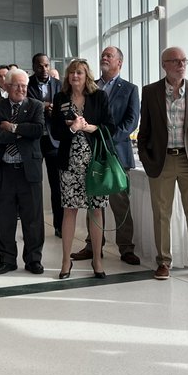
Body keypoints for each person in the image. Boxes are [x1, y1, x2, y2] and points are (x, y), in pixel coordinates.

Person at [137, 47, 188, 281]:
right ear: (164, 64)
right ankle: (163, 262)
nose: (181, 65)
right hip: (162, 161)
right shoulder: (150, 92)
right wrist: (146, 157)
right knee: (161, 213)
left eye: (184, 61)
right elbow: (145, 131)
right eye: (176, 61)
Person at [73, 45, 141, 265]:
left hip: (117, 154)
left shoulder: (130, 89)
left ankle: (126, 247)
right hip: (91, 153)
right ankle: (93, 246)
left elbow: (131, 122)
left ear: (119, 62)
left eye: (109, 56)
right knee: (93, 200)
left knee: (120, 203)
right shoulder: (90, 88)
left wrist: (108, 138)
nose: (104, 58)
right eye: (102, 55)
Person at [52, 58, 114, 280]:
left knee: (96, 210)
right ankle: (65, 261)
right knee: (70, 210)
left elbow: (110, 127)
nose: (74, 76)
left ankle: (97, 259)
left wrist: (87, 127)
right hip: (69, 164)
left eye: (79, 72)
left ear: (87, 76)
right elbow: (55, 132)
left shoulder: (99, 97)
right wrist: (71, 128)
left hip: (95, 163)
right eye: (71, 73)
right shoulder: (60, 99)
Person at [0, 68, 46, 274]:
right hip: (4, 171)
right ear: (7, 86)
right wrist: (23, 132)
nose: (21, 89)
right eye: (17, 85)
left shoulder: (36, 106)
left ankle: (33, 260)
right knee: (5, 219)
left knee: (33, 219)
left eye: (24, 85)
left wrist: (12, 128)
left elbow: (38, 130)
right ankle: (7, 260)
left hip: (28, 171)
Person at [28, 53, 63, 237]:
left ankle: (59, 225)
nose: (44, 69)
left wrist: (53, 109)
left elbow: (64, 108)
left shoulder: (58, 85)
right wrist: (43, 106)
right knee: (33, 185)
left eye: (47, 65)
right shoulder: (26, 84)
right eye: (40, 66)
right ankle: (33, 227)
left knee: (56, 185)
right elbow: (26, 105)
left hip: (53, 140)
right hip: (33, 140)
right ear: (34, 66)